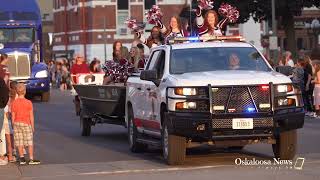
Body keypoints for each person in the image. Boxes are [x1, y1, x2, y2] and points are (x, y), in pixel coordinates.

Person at [11, 83, 40, 165]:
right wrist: (33, 126)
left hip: (17, 123)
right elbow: (31, 116)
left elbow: (13, 115)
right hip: (26, 124)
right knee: (29, 141)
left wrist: (13, 125)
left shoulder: (14, 103)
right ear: (25, 92)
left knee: (19, 141)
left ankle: (22, 158)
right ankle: (31, 158)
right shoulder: (28, 102)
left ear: (16, 92)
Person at [3, 81, 17, 162]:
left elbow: (6, 113)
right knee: (12, 140)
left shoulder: (6, 101)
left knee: (8, 141)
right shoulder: (15, 101)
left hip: (6, 122)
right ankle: (13, 154)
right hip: (13, 123)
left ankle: (10, 156)